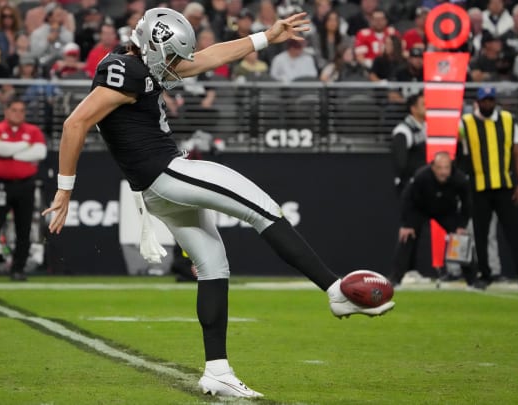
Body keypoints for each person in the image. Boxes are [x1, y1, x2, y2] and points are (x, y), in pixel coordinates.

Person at [42, 8, 395, 398]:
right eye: (173, 56)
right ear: (153, 48)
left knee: (213, 263)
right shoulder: (129, 72)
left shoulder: (139, 65)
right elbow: (76, 122)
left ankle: (217, 370)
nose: (179, 65)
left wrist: (265, 37)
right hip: (166, 173)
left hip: (156, 189)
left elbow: (209, 57)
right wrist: (65, 188)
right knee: (262, 208)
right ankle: (335, 290)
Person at [456, 86, 518, 288]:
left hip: (504, 185)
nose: (488, 104)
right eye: (484, 100)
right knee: (480, 234)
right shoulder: (465, 123)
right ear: (477, 102)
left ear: (495, 101)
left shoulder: (508, 120)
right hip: (478, 187)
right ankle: (485, 274)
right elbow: (460, 155)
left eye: (491, 100)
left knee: (515, 233)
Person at [0, 98, 47, 282]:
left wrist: (9, 153)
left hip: (25, 185)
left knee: (24, 228)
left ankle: (18, 269)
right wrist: (22, 147)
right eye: (14, 110)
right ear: (6, 111)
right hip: (1, 186)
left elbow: (40, 152)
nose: (18, 114)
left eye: (22, 110)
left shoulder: (33, 131)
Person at [389, 152, 474, 287]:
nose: (443, 172)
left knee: (461, 237)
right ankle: (395, 279)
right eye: (439, 168)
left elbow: (467, 204)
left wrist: (461, 225)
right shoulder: (421, 176)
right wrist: (406, 224)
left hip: (446, 211)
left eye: (446, 168)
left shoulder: (460, 179)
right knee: (406, 236)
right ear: (433, 167)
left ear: (451, 167)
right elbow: (407, 199)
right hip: (420, 209)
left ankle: (473, 280)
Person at [391, 93, 426, 195]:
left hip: (424, 184)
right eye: (424, 104)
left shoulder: (426, 126)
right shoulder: (403, 131)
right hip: (410, 185)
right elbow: (401, 163)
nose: (428, 107)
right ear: (413, 109)